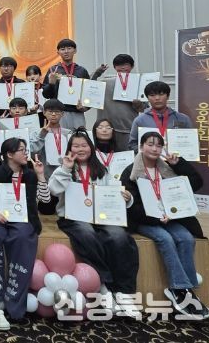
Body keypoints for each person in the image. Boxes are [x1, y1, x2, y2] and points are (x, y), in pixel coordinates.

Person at [48, 129, 140, 316]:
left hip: (101, 216)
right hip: (73, 217)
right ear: (70, 149)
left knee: (119, 236)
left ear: (91, 147)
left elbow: (113, 193)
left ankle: (124, 292)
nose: (80, 149)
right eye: (76, 146)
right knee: (87, 234)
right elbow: (54, 190)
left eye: (84, 145)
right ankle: (104, 285)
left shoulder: (101, 170)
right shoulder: (65, 168)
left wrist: (127, 197)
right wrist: (65, 168)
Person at [121, 131, 209, 320]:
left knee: (186, 238)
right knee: (165, 239)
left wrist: (179, 164)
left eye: (158, 145)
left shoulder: (168, 168)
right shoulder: (130, 172)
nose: (154, 149)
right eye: (150, 144)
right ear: (141, 146)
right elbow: (132, 208)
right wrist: (156, 218)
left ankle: (185, 290)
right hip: (145, 220)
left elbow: (196, 183)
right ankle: (180, 289)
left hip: (171, 218)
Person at [0, 138, 50, 329]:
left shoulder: (31, 175)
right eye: (22, 150)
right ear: (9, 154)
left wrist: (41, 175)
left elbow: (46, 200)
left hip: (24, 220)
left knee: (23, 236)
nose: (26, 154)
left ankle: (14, 301)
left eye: (26, 150)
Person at [91, 54, 146, 151]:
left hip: (128, 130)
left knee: (127, 157)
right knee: (105, 157)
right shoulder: (105, 82)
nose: (123, 67)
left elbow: (144, 109)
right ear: (114, 67)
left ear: (132, 66)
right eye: (119, 65)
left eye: (126, 64)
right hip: (106, 130)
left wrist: (138, 104)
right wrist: (97, 72)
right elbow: (89, 86)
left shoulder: (139, 84)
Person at [128, 81, 192, 151]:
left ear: (168, 96)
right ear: (147, 98)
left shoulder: (183, 119)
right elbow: (132, 144)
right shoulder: (140, 120)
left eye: (161, 94)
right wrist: (148, 153)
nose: (157, 98)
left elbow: (191, 142)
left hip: (176, 157)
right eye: (152, 95)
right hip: (149, 158)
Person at [42, 39, 90, 130]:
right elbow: (46, 94)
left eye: (69, 48)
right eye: (63, 49)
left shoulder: (81, 71)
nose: (66, 51)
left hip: (77, 112)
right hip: (58, 113)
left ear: (75, 50)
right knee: (59, 137)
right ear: (58, 52)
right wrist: (51, 84)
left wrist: (85, 108)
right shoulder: (53, 70)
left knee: (79, 136)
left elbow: (88, 92)